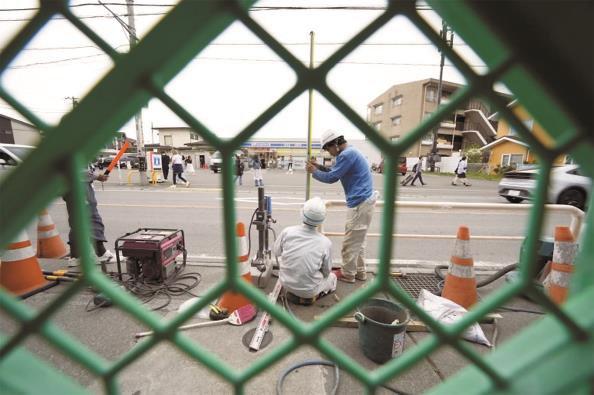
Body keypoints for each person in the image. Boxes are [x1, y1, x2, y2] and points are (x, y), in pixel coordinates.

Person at [306, 129, 378, 283]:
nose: (328, 152)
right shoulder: (350, 153)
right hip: (364, 201)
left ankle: (348, 274)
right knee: (358, 242)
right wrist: (318, 166)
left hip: (359, 203)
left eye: (327, 148)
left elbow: (332, 177)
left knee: (350, 242)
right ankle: (359, 272)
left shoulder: (346, 155)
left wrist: (313, 171)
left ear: (336, 144)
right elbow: (334, 171)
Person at [273, 197, 336, 305]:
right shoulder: (325, 243)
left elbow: (276, 252)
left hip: (285, 283)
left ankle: (296, 294)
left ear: (302, 213)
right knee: (332, 278)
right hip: (309, 291)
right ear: (322, 219)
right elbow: (326, 271)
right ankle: (311, 297)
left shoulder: (287, 232)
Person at [63, 164, 114, 266]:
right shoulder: (72, 153)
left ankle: (75, 257)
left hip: (71, 191)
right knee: (94, 222)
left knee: (77, 226)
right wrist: (97, 176)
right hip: (80, 194)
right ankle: (101, 254)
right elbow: (75, 170)